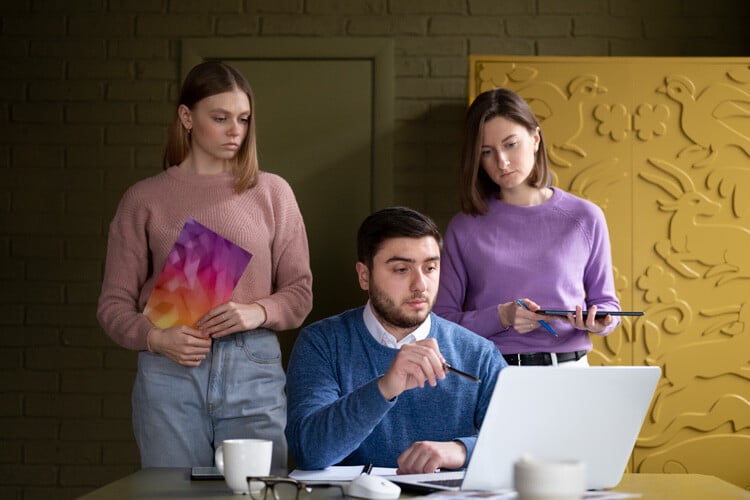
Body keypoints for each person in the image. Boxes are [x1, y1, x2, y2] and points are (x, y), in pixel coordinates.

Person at [96, 61, 313, 474]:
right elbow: (112, 306)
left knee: (257, 492)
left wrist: (256, 311)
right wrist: (156, 339)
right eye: (220, 118)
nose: (236, 130)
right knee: (171, 494)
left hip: (253, 364)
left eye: (244, 119)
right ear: (186, 118)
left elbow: (300, 293)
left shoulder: (272, 192)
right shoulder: (144, 199)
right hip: (169, 369)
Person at [285, 207, 506, 473]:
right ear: (364, 275)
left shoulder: (479, 353)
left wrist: (460, 450)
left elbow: (519, 442)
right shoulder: (321, 343)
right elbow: (308, 452)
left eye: (430, 268)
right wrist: (385, 387)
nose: (421, 285)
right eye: (402, 269)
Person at [433, 87, 621, 367]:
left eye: (511, 144)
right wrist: (502, 317)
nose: (502, 162)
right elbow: (441, 323)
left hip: (571, 371)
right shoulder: (465, 227)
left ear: (535, 138)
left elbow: (608, 306)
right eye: (487, 152)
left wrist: (599, 322)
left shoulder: (586, 217)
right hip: (495, 372)